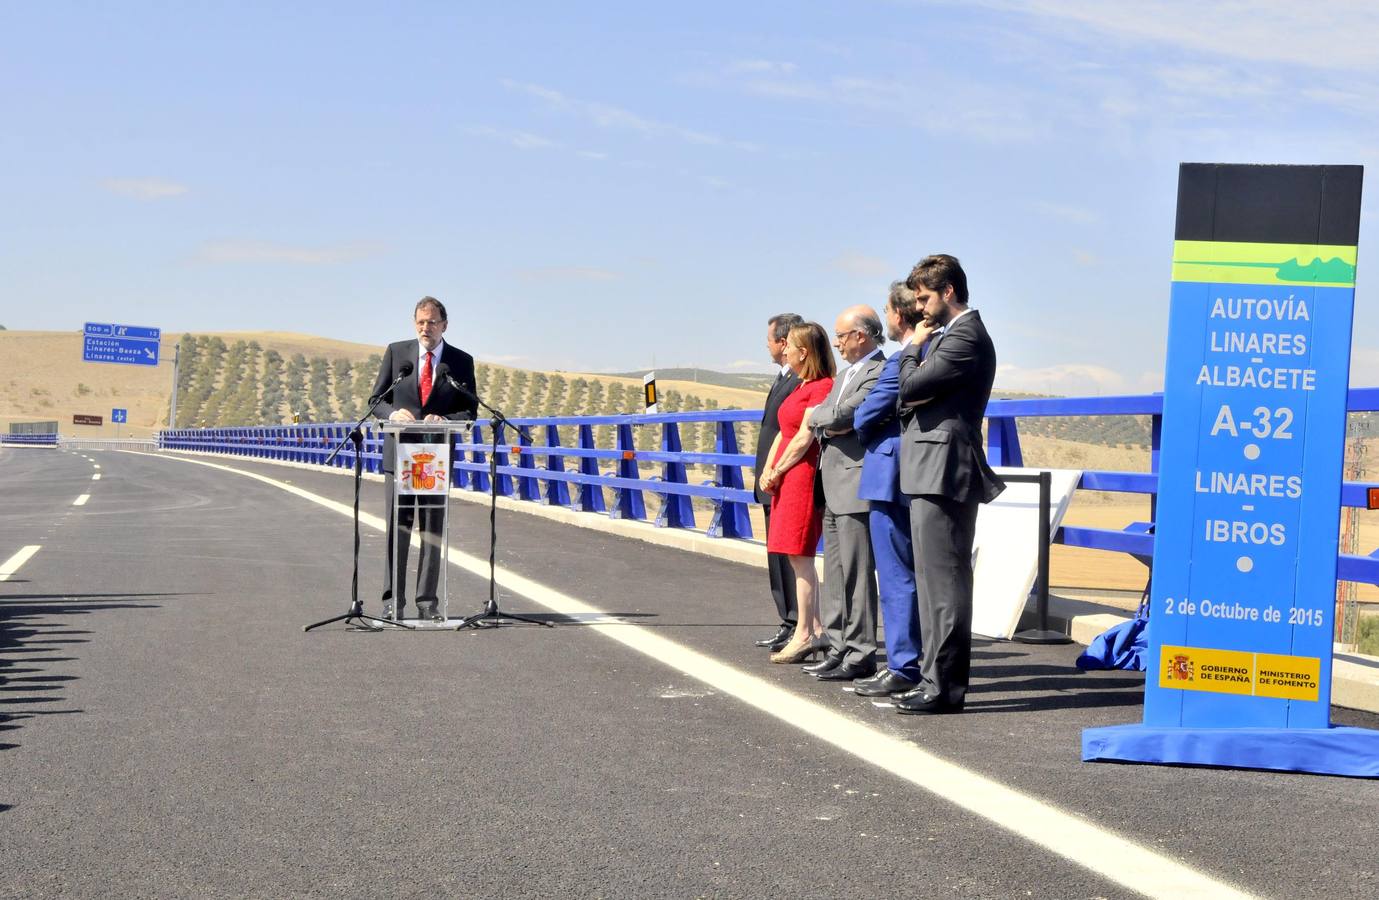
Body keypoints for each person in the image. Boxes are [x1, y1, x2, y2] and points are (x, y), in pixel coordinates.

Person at [892, 255, 1005, 714]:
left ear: (949, 292)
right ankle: (933, 679)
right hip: (929, 467)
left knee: (946, 584)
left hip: (944, 468)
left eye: (924, 298)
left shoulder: (966, 337)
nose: (920, 308)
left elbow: (909, 388)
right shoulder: (949, 336)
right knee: (934, 581)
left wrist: (910, 349)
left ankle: (944, 687)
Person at [369, 296, 478, 621]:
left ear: (444, 325)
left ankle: (428, 604)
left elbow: (470, 408)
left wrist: (447, 420)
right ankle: (392, 603)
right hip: (400, 454)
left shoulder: (460, 361)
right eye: (420, 322)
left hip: (435, 458)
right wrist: (393, 413)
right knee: (397, 529)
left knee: (432, 530)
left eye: (431, 322)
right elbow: (376, 399)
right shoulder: (397, 353)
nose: (425, 328)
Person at [850, 283, 934, 698]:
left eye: (887, 309)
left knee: (897, 573)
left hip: (889, 472)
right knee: (915, 572)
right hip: (916, 469)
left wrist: (867, 426)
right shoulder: (931, 351)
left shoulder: (901, 359)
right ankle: (915, 660)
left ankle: (903, 664)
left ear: (899, 316)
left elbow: (867, 411)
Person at [801, 306, 886, 682]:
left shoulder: (878, 370)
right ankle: (838, 647)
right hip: (832, 482)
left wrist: (824, 419)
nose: (836, 342)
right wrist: (825, 419)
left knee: (856, 573)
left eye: (841, 335)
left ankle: (861, 652)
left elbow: (840, 416)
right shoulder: (846, 374)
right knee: (834, 573)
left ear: (861, 336)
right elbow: (825, 415)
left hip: (854, 484)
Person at [758, 322, 835, 664]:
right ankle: (813, 628)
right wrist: (768, 469)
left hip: (800, 475)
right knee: (792, 555)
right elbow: (783, 432)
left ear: (804, 352)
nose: (783, 350)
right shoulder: (800, 386)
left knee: (800, 556)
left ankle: (804, 633)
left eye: (789, 346)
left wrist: (778, 469)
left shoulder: (821, 386)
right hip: (785, 476)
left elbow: (805, 437)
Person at [752, 313, 804, 651]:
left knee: (787, 556)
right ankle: (787, 619)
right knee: (776, 556)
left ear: (783, 343)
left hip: (782, 479)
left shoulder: (798, 381)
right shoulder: (782, 377)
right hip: (770, 479)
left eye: (769, 339)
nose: (766, 345)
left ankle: (796, 620)